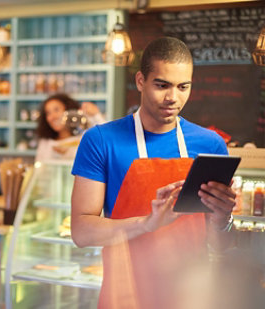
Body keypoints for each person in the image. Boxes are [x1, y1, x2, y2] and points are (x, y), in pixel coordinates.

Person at [71, 37, 236, 309]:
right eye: (162, 85)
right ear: (140, 81)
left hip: (192, 295)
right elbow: (81, 231)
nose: (173, 97)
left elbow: (221, 245)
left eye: (183, 87)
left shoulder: (211, 144)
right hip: (126, 294)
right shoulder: (101, 140)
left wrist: (223, 219)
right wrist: (147, 223)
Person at [35, 93, 104, 161]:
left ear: (69, 111)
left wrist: (96, 115)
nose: (52, 117)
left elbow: (105, 141)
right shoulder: (45, 143)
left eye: (56, 110)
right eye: (48, 113)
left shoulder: (83, 139)